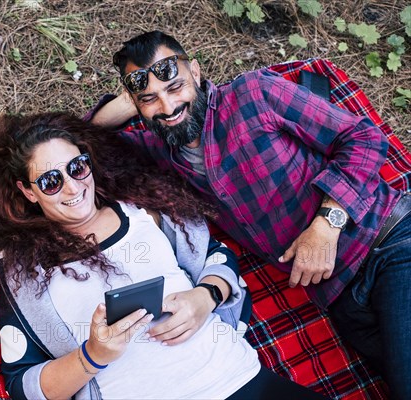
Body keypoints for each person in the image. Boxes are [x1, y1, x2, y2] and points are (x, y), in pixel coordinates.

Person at [89, 30, 411, 398]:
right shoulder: (158, 151)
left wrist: (326, 225)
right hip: (340, 298)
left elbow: (364, 139)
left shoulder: (253, 94)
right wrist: (135, 99)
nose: (168, 107)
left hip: (388, 244)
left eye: (175, 86)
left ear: (196, 71)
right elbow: (77, 141)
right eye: (150, 100)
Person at [0, 112, 327, 399]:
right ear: (27, 191)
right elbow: (24, 385)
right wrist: (93, 355)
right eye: (51, 181)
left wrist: (203, 298)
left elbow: (216, 257)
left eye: (77, 167)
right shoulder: (22, 271)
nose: (72, 187)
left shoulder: (143, 211)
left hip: (237, 378)